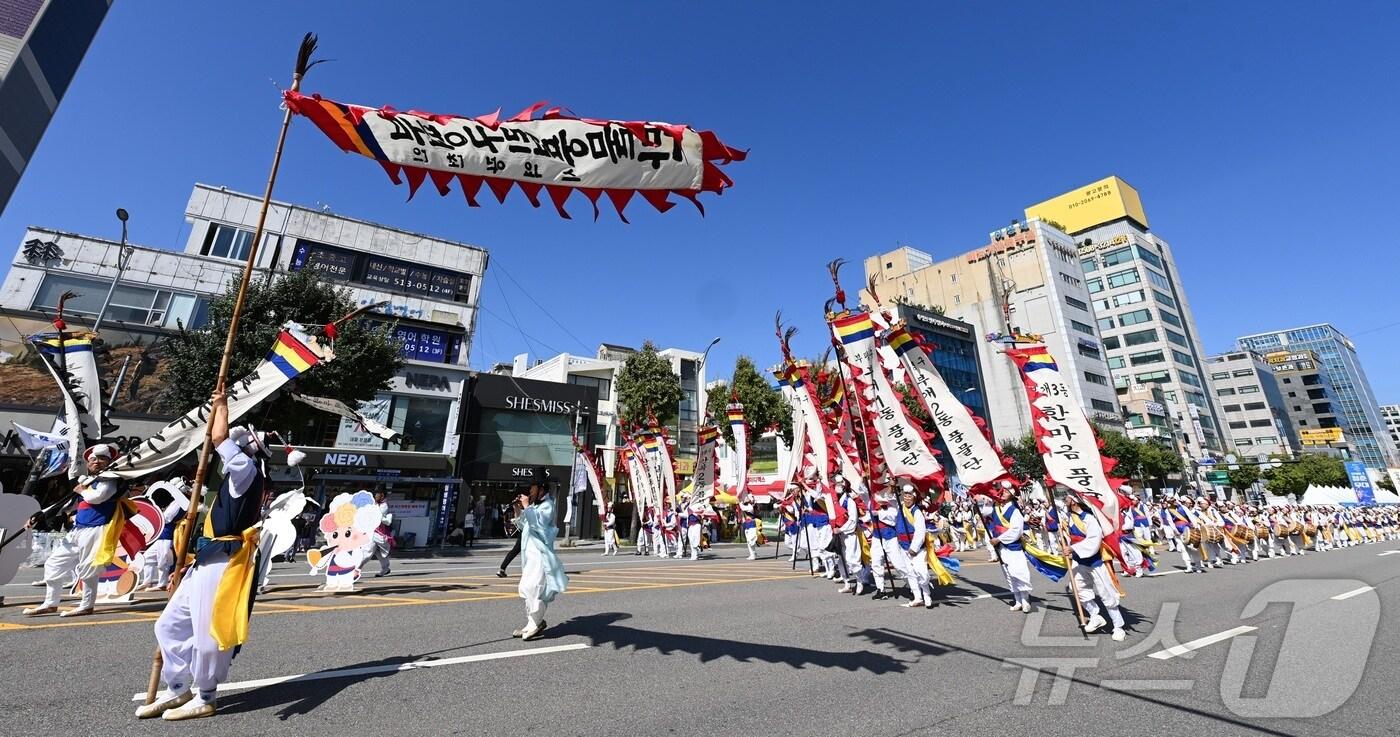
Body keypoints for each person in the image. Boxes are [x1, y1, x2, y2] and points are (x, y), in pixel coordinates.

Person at [138, 389, 269, 720]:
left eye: (236, 446)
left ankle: (206, 694)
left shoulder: (245, 473)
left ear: (246, 450)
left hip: (225, 564)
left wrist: (221, 406)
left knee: (209, 634)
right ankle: (177, 688)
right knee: (169, 626)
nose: (229, 451)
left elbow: (219, 436)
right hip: (207, 561)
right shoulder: (232, 481)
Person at [24, 443, 122, 618]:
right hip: (77, 530)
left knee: (88, 568)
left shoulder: (110, 479)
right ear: (88, 463)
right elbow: (67, 505)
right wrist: (40, 514)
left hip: (97, 529)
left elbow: (98, 497)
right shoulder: (86, 482)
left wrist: (83, 489)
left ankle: (86, 605)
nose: (97, 462)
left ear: (109, 461)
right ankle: (50, 603)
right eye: (93, 459)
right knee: (53, 563)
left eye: (102, 458)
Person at [1065, 492, 1127, 641]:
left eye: (1067, 497)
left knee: (1106, 593)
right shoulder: (1070, 518)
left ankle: (1118, 627)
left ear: (1074, 501)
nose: (1064, 499)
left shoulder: (1090, 519)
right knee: (1076, 588)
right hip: (1080, 561)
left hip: (1096, 562)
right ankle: (1095, 615)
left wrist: (1073, 548)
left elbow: (1094, 541)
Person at [513, 479, 567, 641]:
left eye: (533, 488)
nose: (530, 491)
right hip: (529, 555)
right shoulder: (535, 505)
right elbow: (525, 525)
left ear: (541, 489)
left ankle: (536, 623)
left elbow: (539, 525)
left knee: (535, 587)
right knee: (526, 586)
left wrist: (527, 506)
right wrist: (518, 509)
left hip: (540, 555)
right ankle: (532, 623)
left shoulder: (548, 505)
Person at [497, 498, 524, 578]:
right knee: (515, 550)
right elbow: (518, 517)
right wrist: (516, 505)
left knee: (515, 551)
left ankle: (502, 569)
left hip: (525, 532)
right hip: (525, 533)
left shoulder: (526, 509)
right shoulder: (522, 510)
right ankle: (502, 569)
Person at [369, 490, 393, 577]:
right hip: (373, 531)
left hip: (379, 533)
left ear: (382, 495)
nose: (375, 496)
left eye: (377, 494)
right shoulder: (376, 504)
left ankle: (355, 570)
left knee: (368, 550)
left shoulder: (384, 506)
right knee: (378, 552)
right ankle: (385, 568)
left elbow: (377, 516)